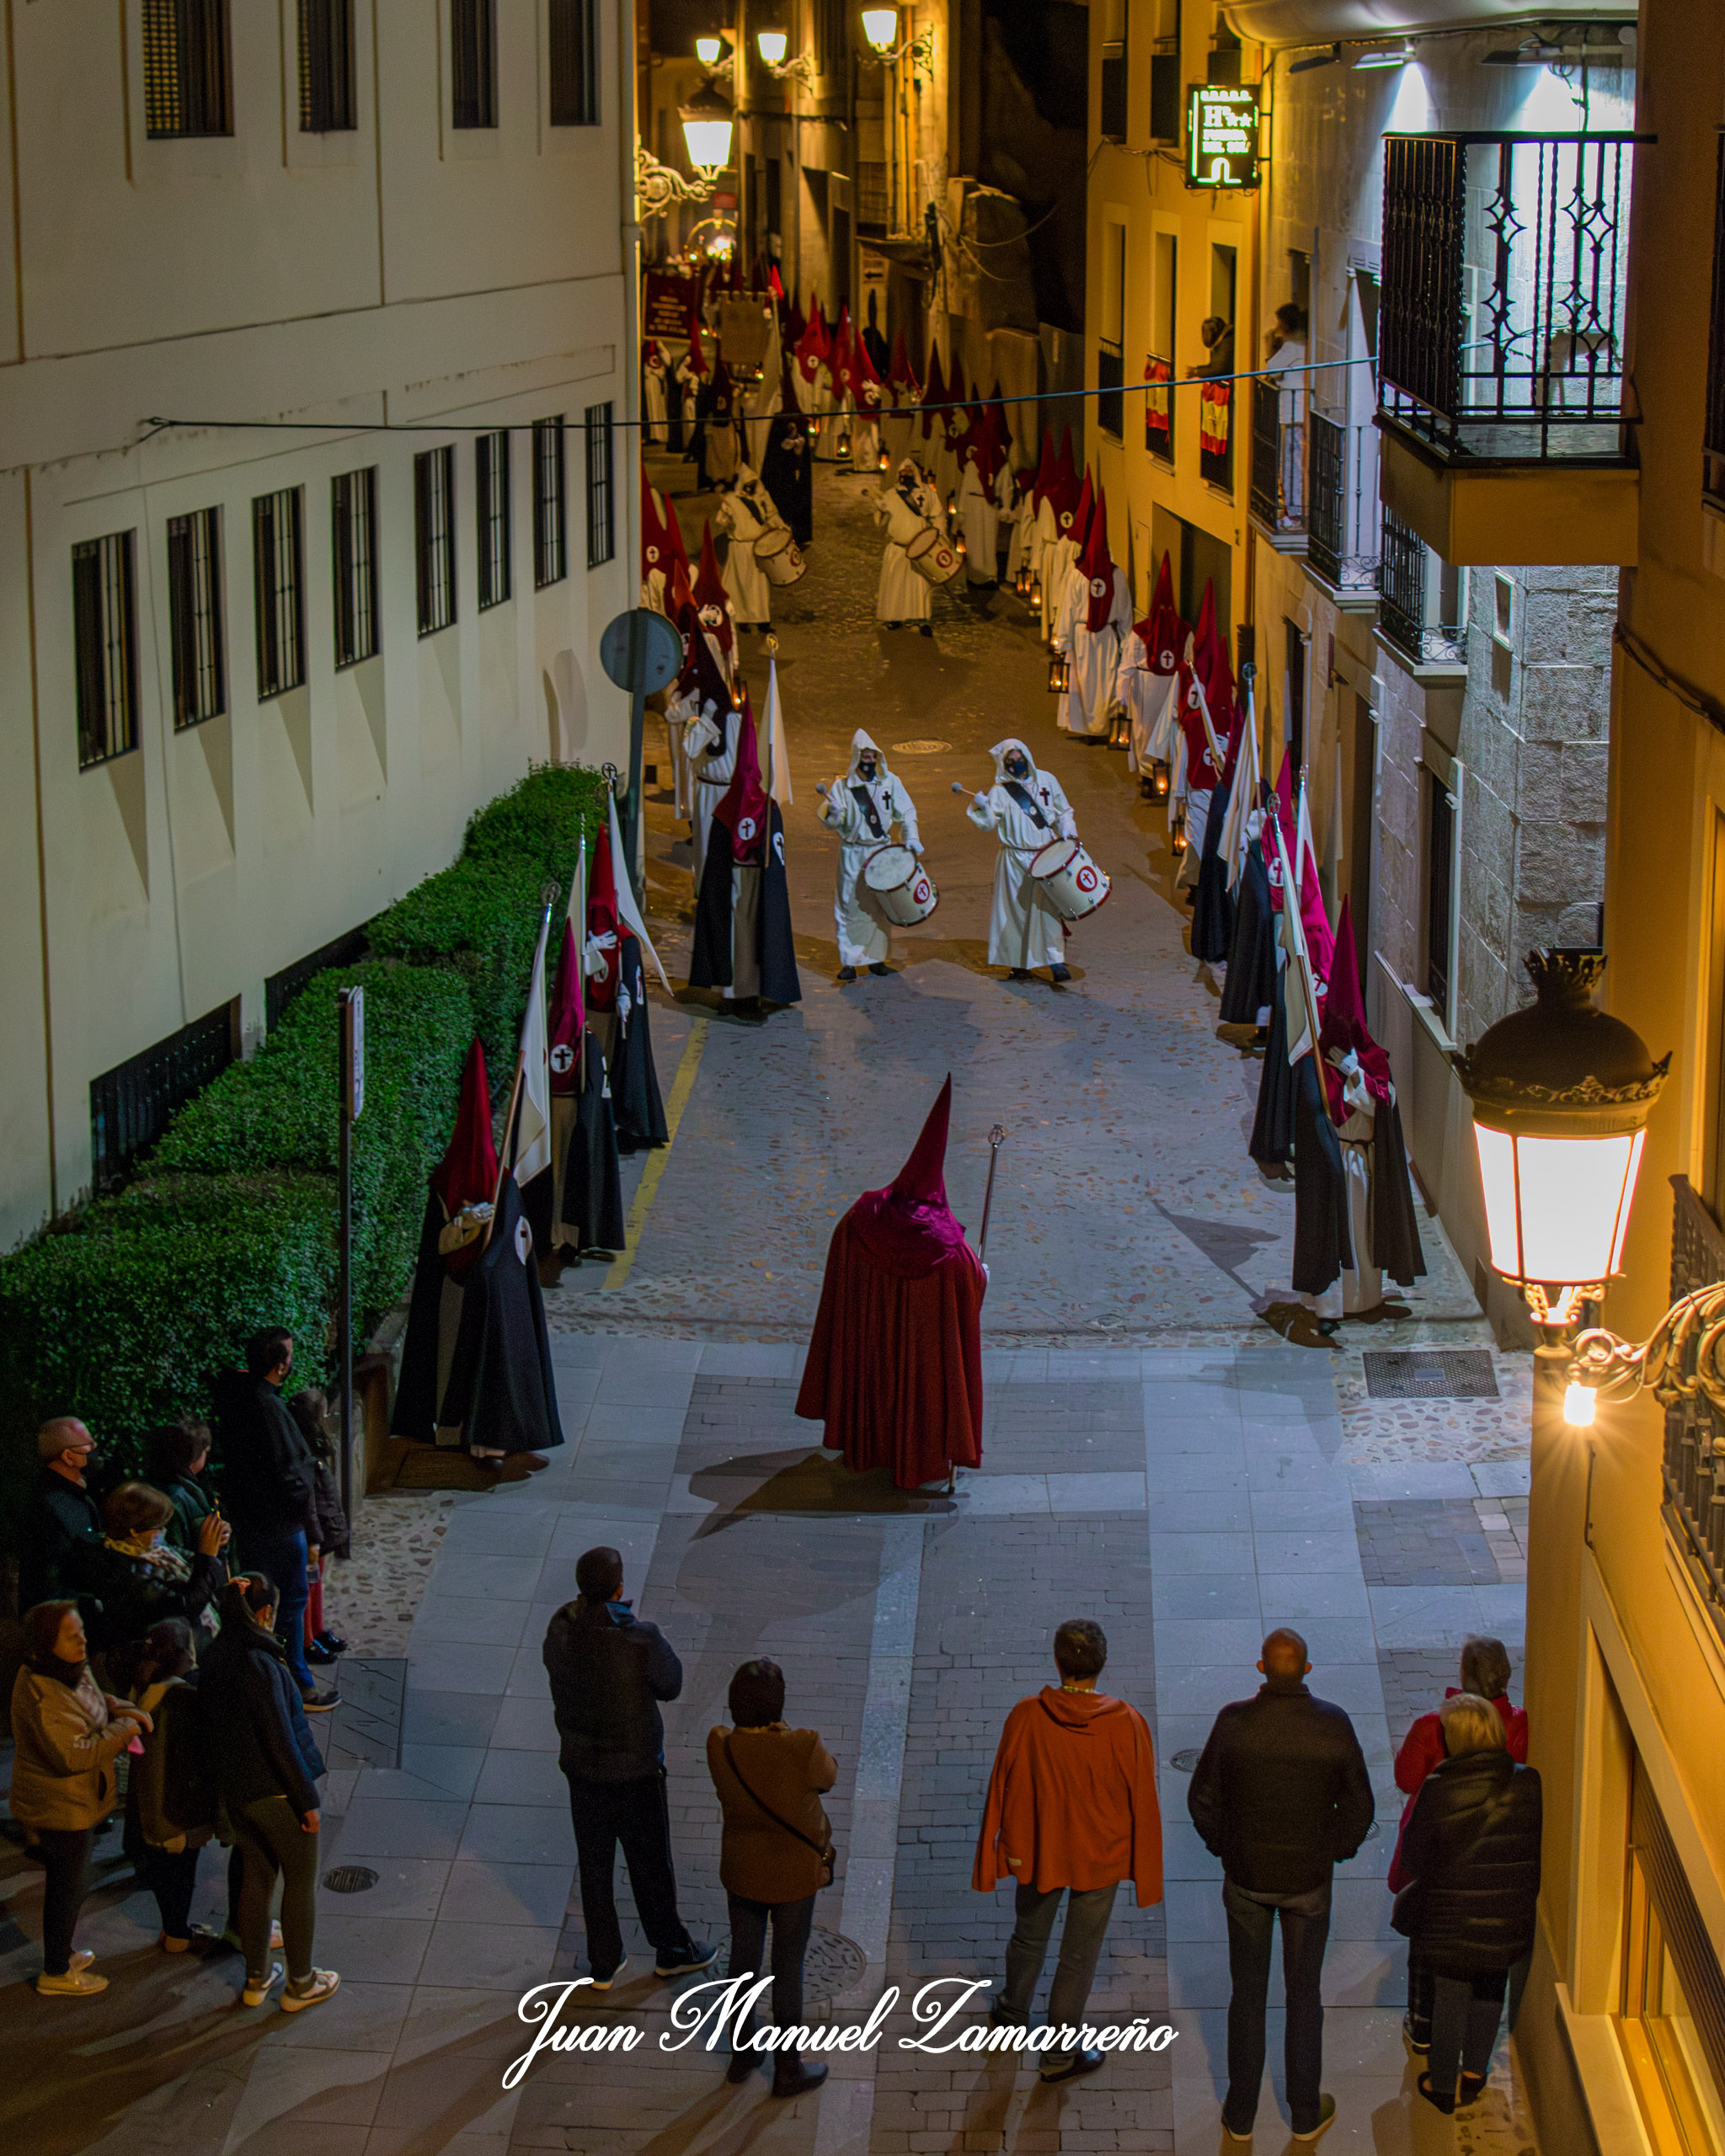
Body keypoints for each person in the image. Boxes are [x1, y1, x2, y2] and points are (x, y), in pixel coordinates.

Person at [1187, 1627, 1375, 2147]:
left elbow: (1201, 1799)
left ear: (1261, 1669)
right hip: (1308, 1885)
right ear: (1307, 1669)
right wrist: (1334, 1850)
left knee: (1247, 1996)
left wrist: (1224, 1847)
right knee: (1304, 1996)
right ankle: (1305, 2111)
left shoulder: (1233, 1723)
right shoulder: (1333, 1725)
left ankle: (1241, 2113)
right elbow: (1360, 1806)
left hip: (1247, 1880)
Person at [973, 1619, 1162, 2085]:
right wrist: (1145, 1867)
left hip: (1041, 1849)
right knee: (1079, 1955)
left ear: (1057, 1662)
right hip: (1101, 1855)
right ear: (1103, 1664)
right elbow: (1143, 1798)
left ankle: (1011, 2014)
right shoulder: (1128, 1723)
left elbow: (1002, 1785)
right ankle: (1059, 2053)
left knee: (1028, 1935)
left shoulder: (1026, 1715)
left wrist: (997, 1848)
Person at [796, 1075, 985, 1490]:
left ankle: (866, 1447)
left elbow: (839, 1277)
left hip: (869, 1342)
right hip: (921, 1355)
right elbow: (969, 1288)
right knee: (921, 1392)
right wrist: (981, 1274)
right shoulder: (948, 1248)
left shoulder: (861, 1217)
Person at [542, 1545, 717, 1989]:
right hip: (636, 1773)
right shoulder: (641, 1639)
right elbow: (671, 1684)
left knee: (594, 1865)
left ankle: (603, 1959)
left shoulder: (561, 1631)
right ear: (619, 1589)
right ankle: (671, 1949)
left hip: (583, 1770)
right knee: (651, 1865)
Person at [1391, 1693, 1541, 2116]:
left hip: (1451, 1915)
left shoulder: (1439, 1787)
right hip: (1508, 1909)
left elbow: (1415, 1855)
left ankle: (1442, 2085)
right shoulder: (1528, 1781)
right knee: (1491, 1988)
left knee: (1451, 1994)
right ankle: (1475, 2074)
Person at [198, 1572, 339, 2013]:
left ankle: (257, 1978)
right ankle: (302, 1983)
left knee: (255, 1881)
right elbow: (280, 1738)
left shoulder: (215, 1656)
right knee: (299, 1883)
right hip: (276, 1794)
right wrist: (307, 1800)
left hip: (238, 1791)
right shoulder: (260, 1663)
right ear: (264, 1613)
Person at [706, 1658, 838, 2099]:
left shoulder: (720, 1745)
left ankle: (743, 2052)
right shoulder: (802, 1745)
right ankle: (788, 2068)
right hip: (793, 1876)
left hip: (743, 1871)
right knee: (787, 1967)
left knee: (742, 1964)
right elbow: (829, 1776)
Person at [1389, 1638, 1528, 2057]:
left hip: (1439, 1851)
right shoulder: (1519, 1723)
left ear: (1464, 1674)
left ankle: (1423, 2024)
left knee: (1427, 1941)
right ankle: (1472, 2049)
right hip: (1493, 1854)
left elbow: (1407, 1779)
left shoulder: (1433, 1726)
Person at [1296, 898, 1426, 1325]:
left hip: (1361, 1163)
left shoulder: (1370, 1060)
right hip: (1334, 1160)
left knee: (1362, 1237)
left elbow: (1382, 1103)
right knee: (1332, 1236)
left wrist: (1354, 1072)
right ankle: (1332, 1301)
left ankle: (1363, 1297)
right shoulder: (1318, 1062)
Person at [10, 1598, 151, 1993]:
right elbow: (74, 1754)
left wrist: (122, 1709)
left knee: (71, 1881)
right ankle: (56, 1972)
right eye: (71, 1636)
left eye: (82, 1631)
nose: (83, 1641)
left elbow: (94, 1701)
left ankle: (63, 1953)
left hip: (77, 1800)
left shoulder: (67, 1667)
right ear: (45, 1644)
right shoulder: (43, 1691)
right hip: (60, 1804)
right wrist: (124, 1730)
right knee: (66, 1887)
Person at [211, 1329, 335, 1710]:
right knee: (291, 1600)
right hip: (278, 1524)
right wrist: (307, 1484)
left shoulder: (237, 1398)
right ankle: (296, 1683)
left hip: (254, 1521)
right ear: (280, 1366)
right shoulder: (268, 1408)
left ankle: (269, 1681)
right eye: (290, 1356)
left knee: (261, 1599)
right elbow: (290, 1474)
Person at [689, 696, 802, 1012]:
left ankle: (741, 992)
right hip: (748, 882)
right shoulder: (760, 806)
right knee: (745, 938)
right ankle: (744, 992)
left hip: (740, 882)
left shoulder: (729, 807)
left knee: (743, 938)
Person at [125, 1617, 220, 1953]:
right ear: (183, 1654)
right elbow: (186, 1763)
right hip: (176, 1811)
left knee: (166, 1873)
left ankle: (171, 1928)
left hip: (152, 1808)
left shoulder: (142, 1690)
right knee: (181, 1875)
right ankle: (178, 1934)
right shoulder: (180, 1698)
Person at [964, 738, 1078, 984]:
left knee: (1049, 910)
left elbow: (1063, 811)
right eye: (1011, 761)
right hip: (1014, 859)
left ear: (1027, 757)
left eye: (1020, 759)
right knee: (1015, 912)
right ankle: (1019, 964)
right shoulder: (1000, 791)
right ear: (1004, 764)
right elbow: (988, 825)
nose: (1017, 764)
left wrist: (1068, 828)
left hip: (1045, 855)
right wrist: (980, 807)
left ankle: (1056, 961)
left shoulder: (1047, 780)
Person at [818, 731, 924, 982]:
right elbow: (832, 822)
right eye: (865, 756)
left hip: (880, 851)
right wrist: (834, 814)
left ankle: (877, 960)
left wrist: (912, 837)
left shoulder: (890, 782)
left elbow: (907, 812)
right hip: (853, 853)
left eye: (873, 756)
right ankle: (850, 962)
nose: (870, 760)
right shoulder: (841, 787)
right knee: (849, 906)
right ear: (856, 758)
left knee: (879, 907)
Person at [79, 1483, 226, 1655]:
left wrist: (217, 1547)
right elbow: (186, 1606)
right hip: (176, 1657)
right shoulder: (123, 1572)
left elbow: (207, 1576)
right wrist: (207, 1557)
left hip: (205, 1643)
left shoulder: (158, 1551)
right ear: (134, 1531)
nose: (163, 1531)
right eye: (158, 1527)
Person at [1053, 488, 1132, 742]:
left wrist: (1062, 640)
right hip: (1107, 638)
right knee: (1105, 683)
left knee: (1083, 683)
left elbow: (1067, 609)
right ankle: (1102, 728)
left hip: (1081, 637)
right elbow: (1125, 611)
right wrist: (1126, 640)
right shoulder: (1117, 575)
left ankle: (1087, 729)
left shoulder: (1077, 575)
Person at [286, 1391, 351, 1668]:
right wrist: (314, 1538)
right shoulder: (304, 1451)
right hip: (313, 1533)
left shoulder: (310, 1444)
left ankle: (317, 1630)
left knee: (315, 1583)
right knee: (309, 1585)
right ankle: (308, 1640)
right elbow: (309, 1502)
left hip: (318, 1531)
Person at [18, 1417, 107, 1610]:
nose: (97, 1449)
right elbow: (45, 1579)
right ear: (68, 1456)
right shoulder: (55, 1505)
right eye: (89, 1444)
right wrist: (90, 1604)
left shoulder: (77, 1496)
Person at [147, 1419, 232, 1566]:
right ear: (195, 1454)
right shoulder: (177, 1498)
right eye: (206, 1451)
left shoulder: (158, 1488)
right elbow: (176, 1556)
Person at [714, 465, 788, 633]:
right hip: (739, 548)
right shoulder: (731, 501)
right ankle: (741, 619)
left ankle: (762, 621)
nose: (750, 487)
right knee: (740, 585)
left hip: (758, 546)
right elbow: (721, 520)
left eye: (753, 483)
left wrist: (781, 526)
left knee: (759, 587)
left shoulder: (761, 498)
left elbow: (772, 515)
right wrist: (728, 521)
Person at [871, 458, 938, 633]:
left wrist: (939, 538)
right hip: (898, 548)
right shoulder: (891, 495)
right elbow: (880, 524)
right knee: (896, 585)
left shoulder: (927, 492)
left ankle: (921, 619)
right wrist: (879, 508)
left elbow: (937, 515)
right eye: (903, 471)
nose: (906, 473)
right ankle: (894, 617)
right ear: (899, 474)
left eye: (909, 470)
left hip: (920, 549)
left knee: (920, 586)